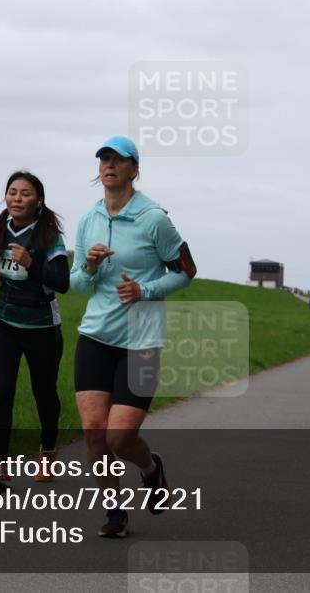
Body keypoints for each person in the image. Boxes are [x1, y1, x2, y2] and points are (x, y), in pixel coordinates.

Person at [70, 136, 195, 538]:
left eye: (118, 160)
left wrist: (146, 290)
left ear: (134, 169)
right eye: (104, 159)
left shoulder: (154, 219)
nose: (109, 165)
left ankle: (151, 468)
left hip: (141, 340)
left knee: (120, 437)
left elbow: (187, 271)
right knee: (94, 433)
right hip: (95, 336)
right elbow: (76, 285)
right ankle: (115, 513)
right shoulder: (88, 220)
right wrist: (89, 267)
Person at [0, 171, 69, 490]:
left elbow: (62, 283)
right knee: (2, 389)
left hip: (41, 327)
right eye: (12, 192)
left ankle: (47, 453)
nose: (17, 198)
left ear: (38, 201)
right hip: (3, 322)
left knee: (43, 393)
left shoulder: (50, 237)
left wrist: (31, 263)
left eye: (25, 193)